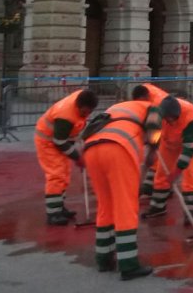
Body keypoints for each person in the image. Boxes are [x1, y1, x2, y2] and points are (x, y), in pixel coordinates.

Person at [82, 85, 162, 280]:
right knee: (125, 205)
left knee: (105, 205)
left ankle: (104, 258)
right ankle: (128, 265)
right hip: (119, 148)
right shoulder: (151, 107)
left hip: (91, 149)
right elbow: (154, 130)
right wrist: (153, 151)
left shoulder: (118, 107)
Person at [35, 89, 98, 225]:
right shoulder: (65, 116)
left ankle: (59, 207)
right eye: (84, 112)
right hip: (48, 142)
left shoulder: (83, 98)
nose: (86, 115)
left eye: (89, 112)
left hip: (60, 140)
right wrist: (77, 158)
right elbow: (59, 141)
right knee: (56, 175)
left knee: (64, 174)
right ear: (78, 106)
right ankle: (53, 214)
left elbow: (70, 134)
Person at [142, 95, 193, 223]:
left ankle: (190, 210)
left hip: (189, 141)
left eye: (175, 118)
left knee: (190, 173)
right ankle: (158, 207)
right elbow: (150, 129)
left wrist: (177, 172)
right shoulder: (156, 112)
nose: (172, 121)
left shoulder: (191, 117)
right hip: (168, 142)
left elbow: (188, 149)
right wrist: (152, 144)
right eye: (169, 119)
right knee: (161, 173)